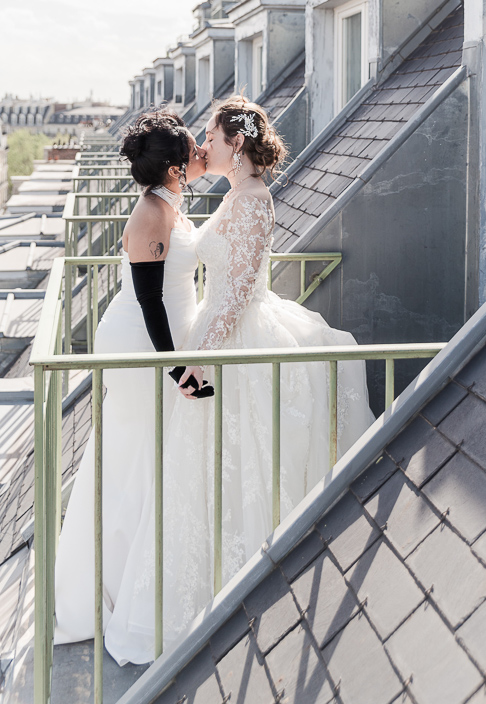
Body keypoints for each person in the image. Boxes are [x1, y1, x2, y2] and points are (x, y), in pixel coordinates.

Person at [104, 95, 375, 664]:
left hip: (236, 337)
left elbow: (234, 294)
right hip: (215, 331)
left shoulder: (254, 201)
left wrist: (197, 359)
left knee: (244, 457)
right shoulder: (235, 193)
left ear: (237, 142)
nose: (204, 144)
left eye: (212, 135)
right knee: (205, 466)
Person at [54, 111, 206, 645]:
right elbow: (149, 300)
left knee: (152, 455)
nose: (198, 147)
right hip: (145, 342)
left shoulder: (169, 199)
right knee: (135, 458)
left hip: (161, 338)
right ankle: (112, 588)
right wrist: (175, 369)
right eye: (190, 144)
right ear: (171, 167)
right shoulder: (150, 215)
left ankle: (145, 574)